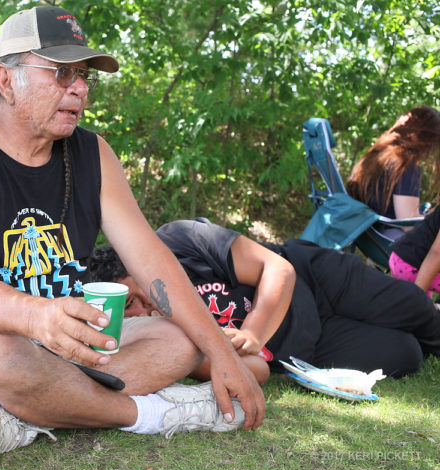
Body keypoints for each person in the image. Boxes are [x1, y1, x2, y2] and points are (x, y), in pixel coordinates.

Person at [0, 6, 264, 470]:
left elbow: (152, 261)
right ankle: (153, 413)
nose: (80, 87)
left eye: (85, 76)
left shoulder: (92, 152)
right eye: (61, 73)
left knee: (184, 337)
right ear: (6, 81)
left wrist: (218, 351)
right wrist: (36, 318)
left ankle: (21, 417)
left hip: (70, 344)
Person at [88, 218, 440, 382]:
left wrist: (253, 333)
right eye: (127, 310)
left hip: (315, 280)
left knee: (417, 309)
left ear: (134, 263)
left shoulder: (180, 239)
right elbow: (241, 370)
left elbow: (279, 270)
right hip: (305, 347)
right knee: (405, 355)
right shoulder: (156, 339)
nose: (141, 308)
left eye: (133, 294)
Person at [347, 105, 440, 239]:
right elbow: (408, 224)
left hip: (368, 233)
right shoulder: (405, 164)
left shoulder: (379, 153)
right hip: (387, 236)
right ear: (426, 140)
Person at [389, 206, 440, 297]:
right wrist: (417, 299)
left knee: (424, 310)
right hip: (411, 265)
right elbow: (436, 254)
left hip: (408, 260)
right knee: (416, 306)